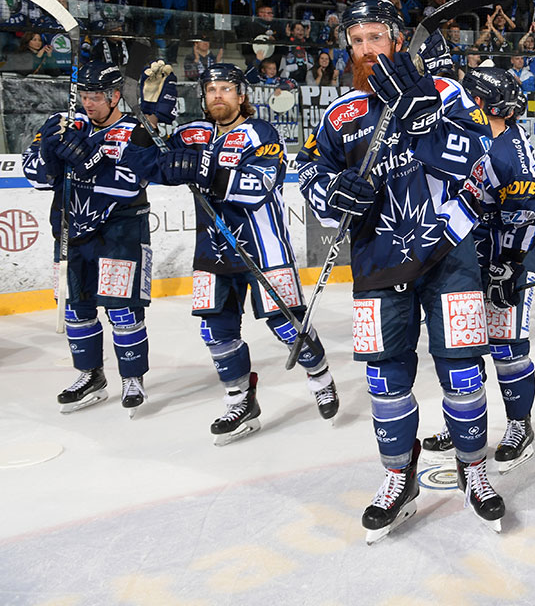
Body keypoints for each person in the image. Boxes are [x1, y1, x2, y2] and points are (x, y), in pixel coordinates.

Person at [296, 0, 503, 543]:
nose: (366, 50)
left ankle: (473, 466)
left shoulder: (444, 92)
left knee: (462, 374)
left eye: (375, 39)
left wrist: (423, 117)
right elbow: (311, 174)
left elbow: (480, 160)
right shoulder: (339, 112)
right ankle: (397, 477)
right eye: (357, 41)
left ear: (396, 40)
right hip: (375, 263)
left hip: (449, 255)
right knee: (385, 382)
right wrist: (331, 190)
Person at [158, 63, 339, 445]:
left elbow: (258, 185)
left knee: (288, 325)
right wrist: (152, 116)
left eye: (226, 88)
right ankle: (239, 399)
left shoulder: (261, 133)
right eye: (211, 89)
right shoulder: (192, 133)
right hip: (212, 250)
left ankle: (320, 376)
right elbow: (157, 160)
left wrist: (203, 169)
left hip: (263, 249)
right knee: (215, 329)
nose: (218, 96)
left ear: (242, 96)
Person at [420, 67, 535, 474]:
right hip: (463, 258)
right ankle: (465, 425)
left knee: (507, 347)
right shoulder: (465, 137)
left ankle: (518, 426)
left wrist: (507, 267)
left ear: (482, 103)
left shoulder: (511, 152)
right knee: (464, 350)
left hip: (504, 258)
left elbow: (525, 217)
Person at [22, 63, 161, 416]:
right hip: (71, 231)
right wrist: (51, 155)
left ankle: (132, 378)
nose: (88, 103)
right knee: (75, 311)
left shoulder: (134, 129)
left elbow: (130, 183)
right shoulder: (66, 123)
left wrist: (87, 159)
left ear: (115, 96)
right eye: (84, 95)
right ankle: (90, 375)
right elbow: (34, 175)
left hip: (119, 233)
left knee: (123, 311)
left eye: (96, 96)